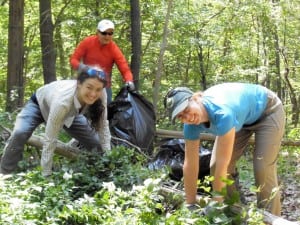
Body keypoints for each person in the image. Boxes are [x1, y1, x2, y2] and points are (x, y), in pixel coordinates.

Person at [164, 83, 285, 216]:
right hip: (241, 118)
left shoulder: (222, 113)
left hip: (267, 110)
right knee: (215, 166)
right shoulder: (190, 125)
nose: (187, 117)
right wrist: (190, 204)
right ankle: (233, 211)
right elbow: (190, 165)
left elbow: (223, 162)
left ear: (196, 98)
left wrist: (216, 204)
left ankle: (270, 218)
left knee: (262, 167)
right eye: (181, 116)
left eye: (186, 109)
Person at [0, 68, 111, 177]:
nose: (93, 94)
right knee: (20, 132)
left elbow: (103, 127)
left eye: (98, 89)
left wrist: (110, 160)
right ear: (79, 84)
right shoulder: (63, 101)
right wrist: (46, 174)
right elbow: (50, 139)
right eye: (89, 87)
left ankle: (102, 174)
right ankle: (3, 174)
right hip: (39, 105)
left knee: (96, 144)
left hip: (71, 114)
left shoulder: (102, 93)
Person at [70, 19, 135, 104]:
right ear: (97, 32)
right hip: (85, 81)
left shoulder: (114, 49)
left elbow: (125, 69)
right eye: (104, 33)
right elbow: (73, 60)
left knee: (107, 107)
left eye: (110, 33)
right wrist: (83, 68)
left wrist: (129, 81)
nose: (107, 36)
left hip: (103, 85)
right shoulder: (87, 42)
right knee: (72, 103)